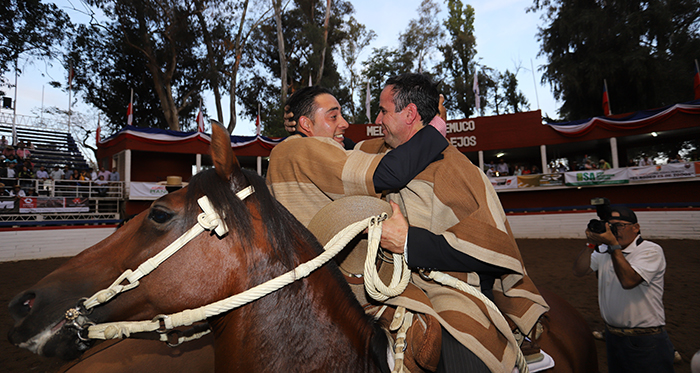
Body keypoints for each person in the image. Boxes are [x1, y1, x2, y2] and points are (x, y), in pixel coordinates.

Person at [367, 73, 548, 372]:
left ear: (410, 113)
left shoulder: (461, 171)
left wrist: (408, 243)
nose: (377, 119)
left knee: (463, 349)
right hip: (386, 290)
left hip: (452, 296)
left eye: (384, 111)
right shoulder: (376, 157)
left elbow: (493, 249)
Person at [267, 85, 448, 226]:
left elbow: (354, 148)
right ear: (306, 123)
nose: (344, 123)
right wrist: (436, 127)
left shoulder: (287, 149)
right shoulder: (307, 147)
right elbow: (389, 173)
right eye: (333, 116)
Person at [574, 205, 675, 373]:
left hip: (645, 340)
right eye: (610, 225)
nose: (614, 230)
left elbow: (629, 281)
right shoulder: (605, 251)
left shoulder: (651, 250)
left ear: (636, 228)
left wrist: (614, 245)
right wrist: (591, 244)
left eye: (619, 225)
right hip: (613, 337)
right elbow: (579, 271)